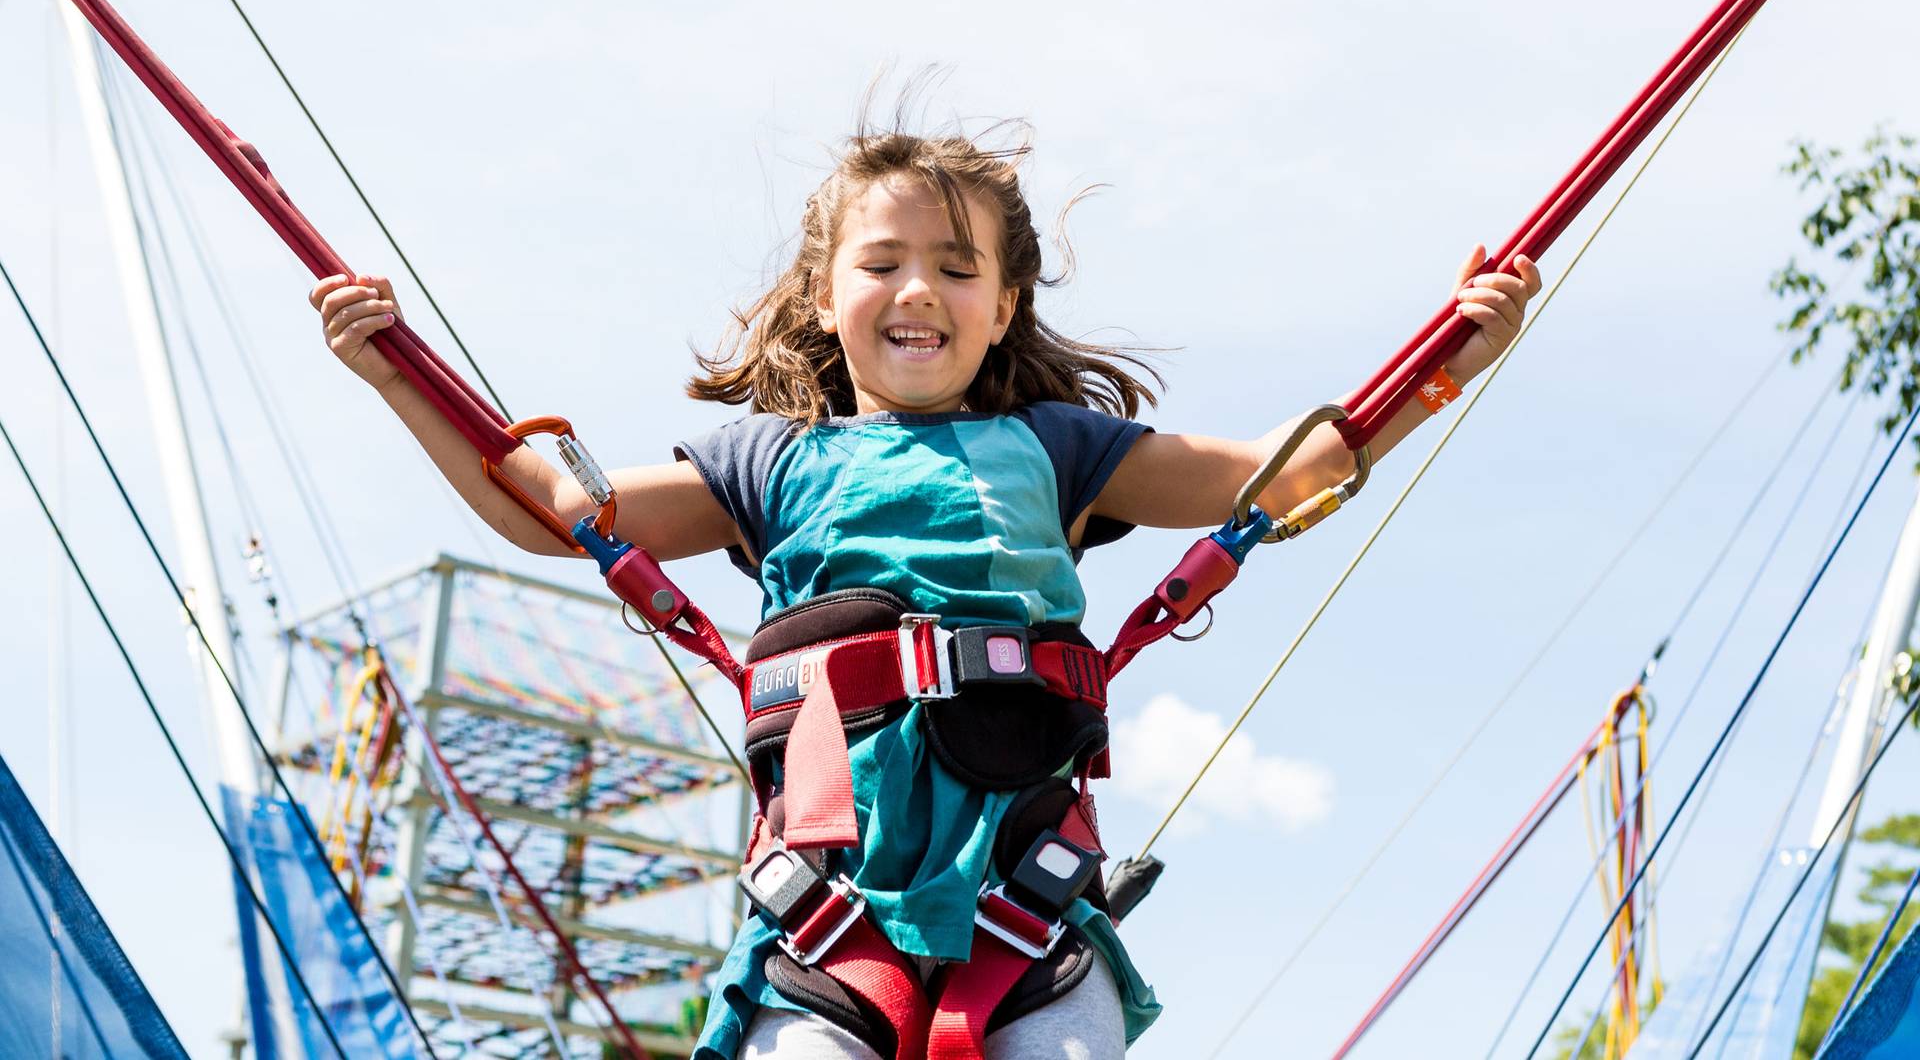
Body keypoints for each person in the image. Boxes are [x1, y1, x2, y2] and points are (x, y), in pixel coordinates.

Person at [310, 127, 1540, 1060]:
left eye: (957, 269)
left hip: (1026, 907)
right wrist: (391, 372)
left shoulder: (1060, 449)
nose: (918, 291)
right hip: (824, 918)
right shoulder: (772, 460)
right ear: (826, 296)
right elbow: (558, 509)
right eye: (882, 262)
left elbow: (1281, 473)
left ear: (1003, 306)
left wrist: (1452, 361)